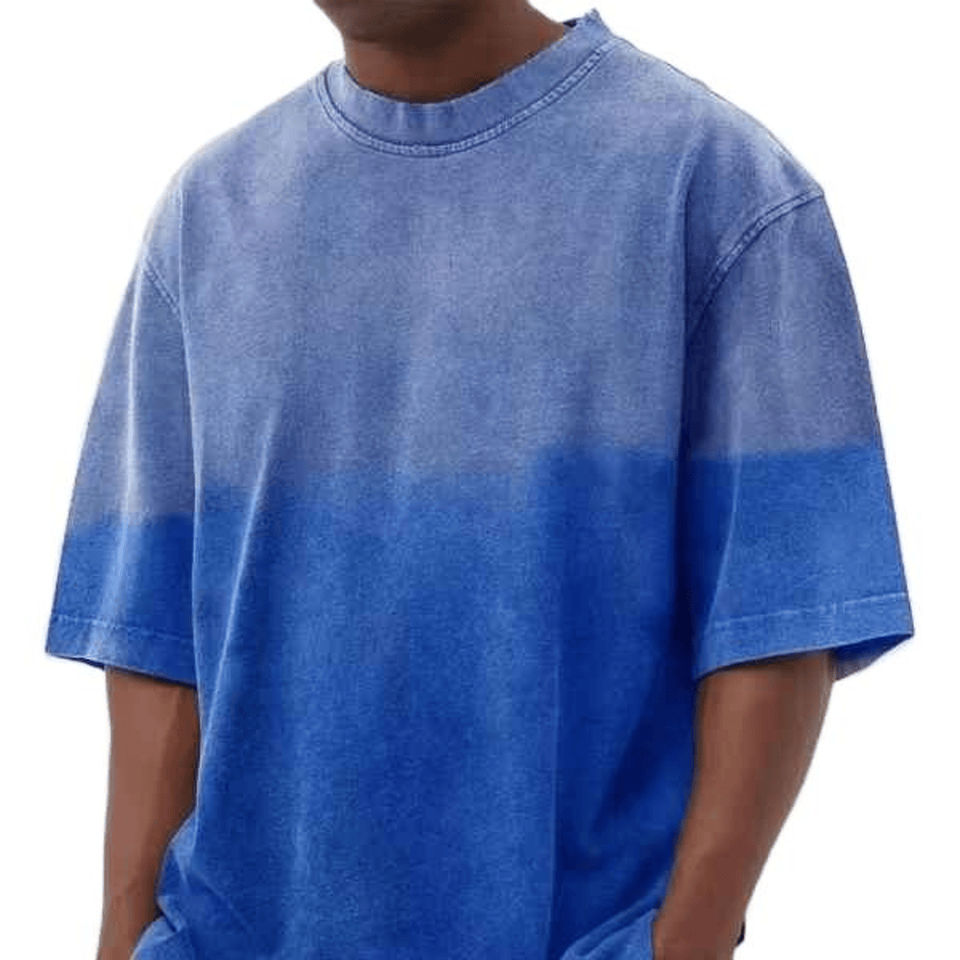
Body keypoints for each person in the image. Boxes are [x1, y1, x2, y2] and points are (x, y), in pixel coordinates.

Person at [43, 3, 915, 959]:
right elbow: (153, 630)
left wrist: (685, 941)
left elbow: (780, 614)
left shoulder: (718, 187)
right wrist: (122, 940)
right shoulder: (209, 214)